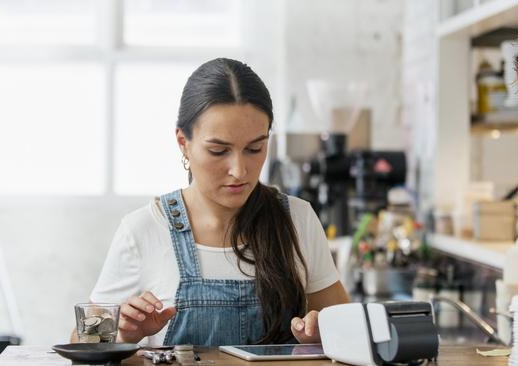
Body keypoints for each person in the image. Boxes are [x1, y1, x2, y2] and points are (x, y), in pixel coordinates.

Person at [77, 58, 349, 347]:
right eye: (219, 150)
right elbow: (82, 343)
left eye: (255, 148)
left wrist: (325, 332)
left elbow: (349, 331)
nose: (239, 170)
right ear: (183, 142)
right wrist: (121, 336)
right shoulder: (143, 230)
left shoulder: (297, 219)